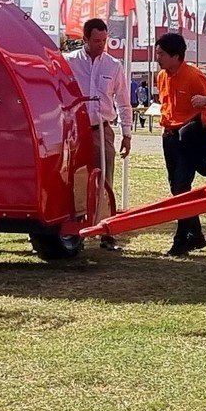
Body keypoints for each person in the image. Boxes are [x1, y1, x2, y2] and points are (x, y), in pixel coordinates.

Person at [66, 17, 130, 247]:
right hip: (74, 131)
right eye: (96, 40)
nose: (101, 44)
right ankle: (75, 228)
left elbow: (123, 102)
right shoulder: (69, 62)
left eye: (104, 40)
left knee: (105, 178)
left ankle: (107, 231)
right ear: (84, 39)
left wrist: (127, 133)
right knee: (75, 179)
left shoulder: (114, 66)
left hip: (101, 130)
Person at [153, 32, 206, 256]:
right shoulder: (162, 76)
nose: (157, 57)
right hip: (169, 135)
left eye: (161, 54)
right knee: (177, 188)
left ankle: (182, 239)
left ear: (176, 56)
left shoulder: (194, 76)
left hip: (188, 137)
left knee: (181, 188)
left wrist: (200, 127)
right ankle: (196, 236)